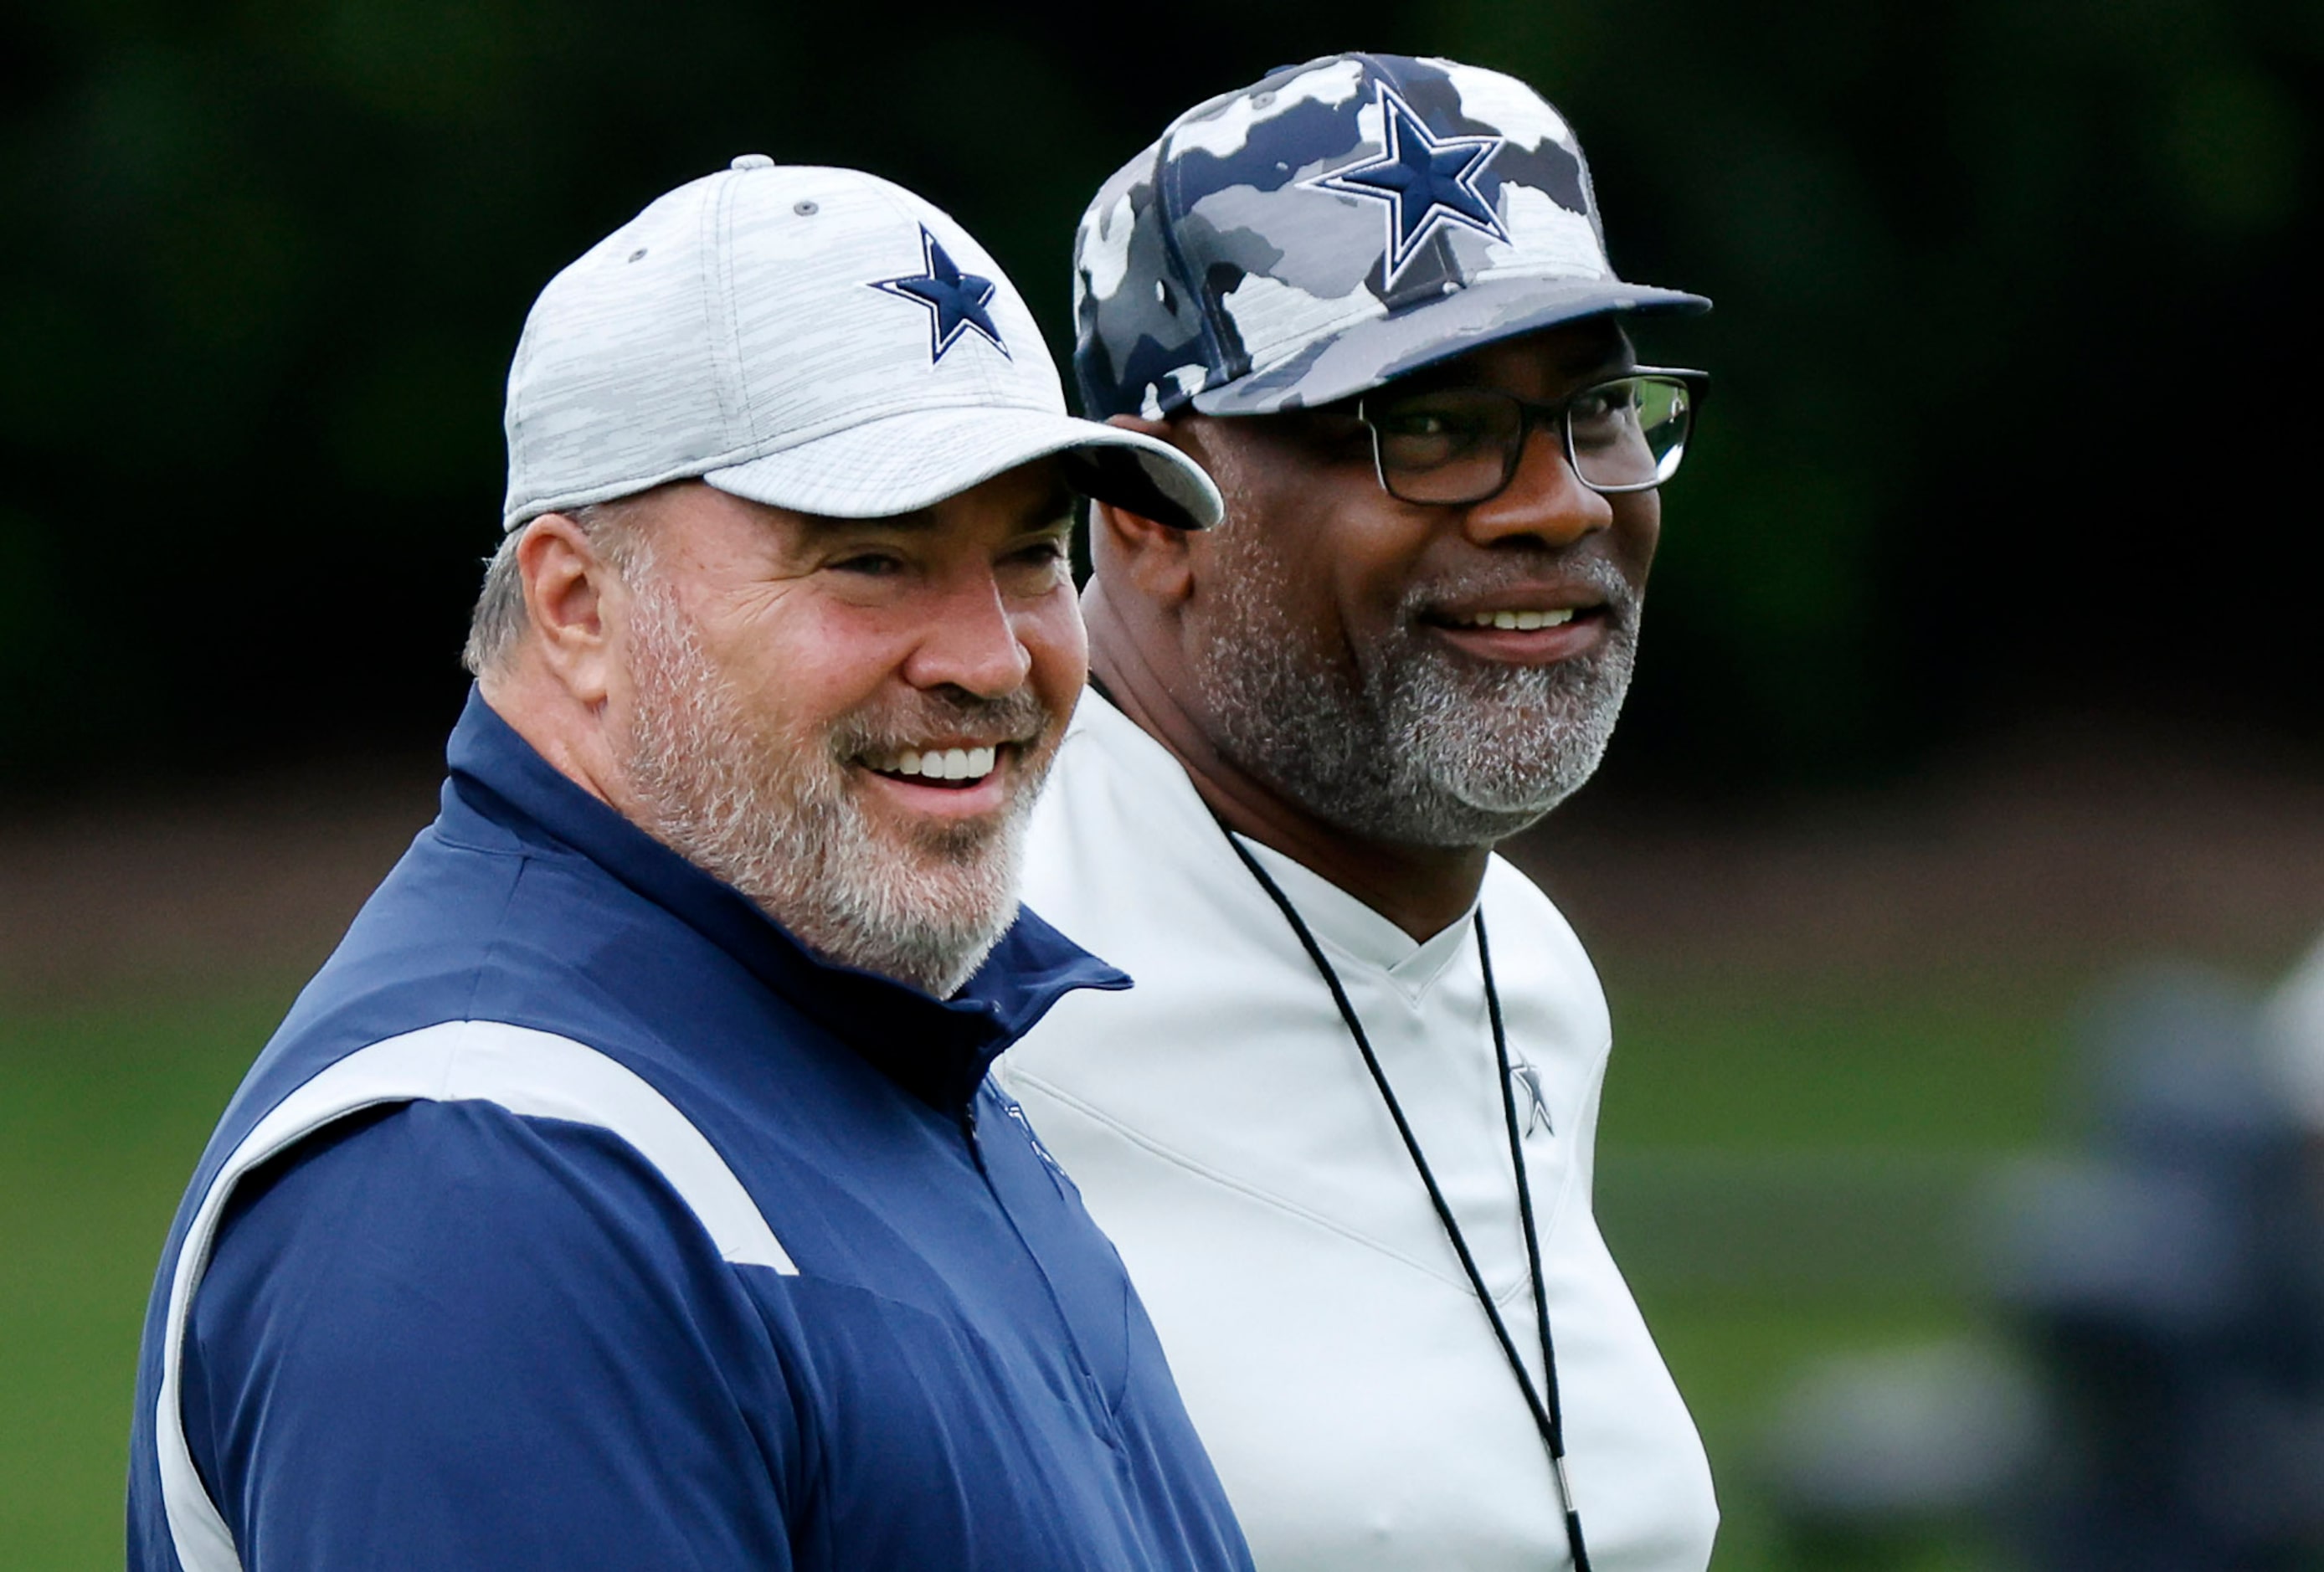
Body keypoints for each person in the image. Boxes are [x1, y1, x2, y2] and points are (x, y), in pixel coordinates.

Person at [126, 156, 1252, 1572]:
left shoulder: (863, 1028)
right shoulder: (488, 1190)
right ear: (577, 605)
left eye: (1030, 555)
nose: (990, 656)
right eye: (870, 560)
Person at [995, 54, 1720, 1569]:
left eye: (1595, 409)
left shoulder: (1526, 964)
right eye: (1434, 426)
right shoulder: (969, 958)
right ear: (1146, 506)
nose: (1564, 504)